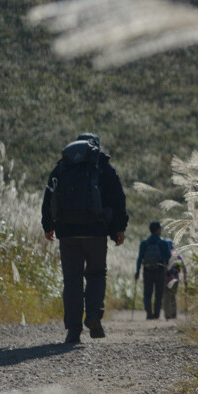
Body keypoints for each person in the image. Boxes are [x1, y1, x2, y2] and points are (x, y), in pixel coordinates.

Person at [42, 133, 127, 344]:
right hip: (96, 232)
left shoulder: (62, 167)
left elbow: (48, 195)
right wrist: (119, 228)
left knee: (72, 280)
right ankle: (93, 316)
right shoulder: (104, 167)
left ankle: (73, 331)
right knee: (97, 274)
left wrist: (48, 225)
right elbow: (118, 199)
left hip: (68, 233)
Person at [134, 221, 171, 319]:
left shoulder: (144, 243)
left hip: (147, 271)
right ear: (158, 230)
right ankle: (156, 314)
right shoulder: (164, 243)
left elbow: (139, 258)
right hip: (160, 271)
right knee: (158, 294)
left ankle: (148, 310)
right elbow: (168, 257)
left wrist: (137, 272)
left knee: (147, 293)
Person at [162, 248, 187, 320]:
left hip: (166, 279)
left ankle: (167, 315)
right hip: (175, 279)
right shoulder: (178, 256)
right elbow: (183, 267)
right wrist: (185, 278)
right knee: (172, 296)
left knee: (166, 297)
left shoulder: (165, 255)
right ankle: (173, 314)